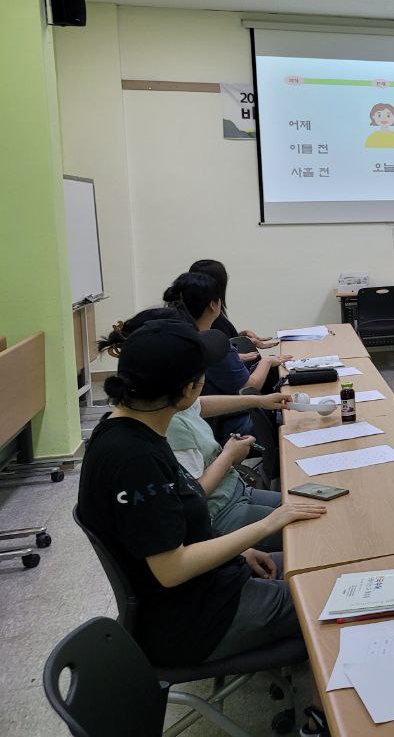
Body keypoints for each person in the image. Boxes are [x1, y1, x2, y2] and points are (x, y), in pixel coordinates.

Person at [77, 316, 325, 668]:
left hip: (211, 586)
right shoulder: (134, 459)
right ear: (190, 389)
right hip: (196, 620)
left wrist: (238, 553)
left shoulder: (132, 428)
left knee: (321, 563)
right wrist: (267, 525)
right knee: (331, 594)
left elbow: (176, 528)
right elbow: (170, 568)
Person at [102, 308, 291, 550]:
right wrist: (228, 456)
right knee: (312, 530)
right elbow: (193, 496)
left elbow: (199, 405)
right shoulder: (161, 431)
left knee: (307, 505)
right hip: (219, 513)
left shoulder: (159, 403)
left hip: (231, 493)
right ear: (185, 386)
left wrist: (257, 400)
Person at [164, 272, 290, 439]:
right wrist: (266, 361)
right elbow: (249, 386)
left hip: (203, 424)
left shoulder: (176, 340)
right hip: (230, 424)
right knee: (293, 417)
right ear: (214, 305)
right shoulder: (212, 345)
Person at [189, 258, 279, 363]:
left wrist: (240, 337)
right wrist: (266, 362)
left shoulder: (205, 313)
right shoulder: (209, 316)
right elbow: (220, 352)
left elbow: (224, 342)